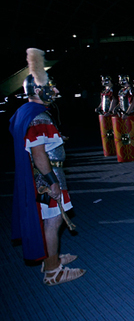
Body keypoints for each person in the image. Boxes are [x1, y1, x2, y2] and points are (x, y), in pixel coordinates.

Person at [9, 48, 86, 286]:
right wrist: (52, 181)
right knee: (54, 221)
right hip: (46, 178)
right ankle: (53, 270)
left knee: (49, 220)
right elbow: (39, 153)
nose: (56, 90)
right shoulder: (39, 116)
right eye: (51, 87)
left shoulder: (25, 112)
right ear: (39, 89)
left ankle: (50, 257)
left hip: (38, 176)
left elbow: (37, 145)